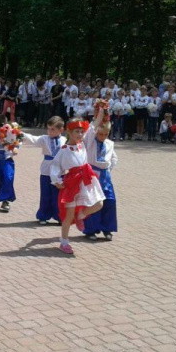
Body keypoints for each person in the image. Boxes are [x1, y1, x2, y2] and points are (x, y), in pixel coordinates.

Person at [49, 118, 105, 254]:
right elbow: (55, 165)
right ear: (69, 132)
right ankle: (64, 241)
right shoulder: (64, 150)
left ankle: (80, 215)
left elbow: (93, 128)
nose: (80, 135)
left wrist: (101, 112)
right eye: (76, 132)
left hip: (86, 179)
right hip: (72, 182)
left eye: (81, 132)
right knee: (68, 216)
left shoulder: (83, 144)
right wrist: (56, 180)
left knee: (99, 203)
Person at [81, 107, 118, 241]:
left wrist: (108, 169)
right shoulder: (90, 142)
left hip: (105, 175)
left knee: (109, 201)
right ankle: (91, 229)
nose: (102, 137)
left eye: (106, 134)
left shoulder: (109, 143)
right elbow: (90, 131)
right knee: (93, 201)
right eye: (100, 134)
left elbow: (114, 158)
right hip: (92, 173)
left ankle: (107, 229)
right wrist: (99, 116)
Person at [22, 116, 66, 225]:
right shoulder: (44, 139)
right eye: (48, 129)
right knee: (46, 194)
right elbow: (32, 139)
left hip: (60, 171)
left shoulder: (65, 140)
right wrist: (19, 133)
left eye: (53, 129)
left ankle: (59, 216)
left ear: (61, 130)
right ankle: (43, 215)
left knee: (58, 195)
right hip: (46, 170)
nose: (49, 132)